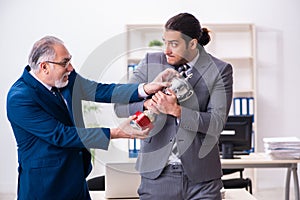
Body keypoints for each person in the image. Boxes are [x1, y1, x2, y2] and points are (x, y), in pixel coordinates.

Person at [6, 36, 171, 200]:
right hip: (45, 187)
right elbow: (61, 134)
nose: (70, 68)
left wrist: (145, 89)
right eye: (64, 62)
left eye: (70, 61)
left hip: (77, 182)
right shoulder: (20, 98)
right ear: (44, 67)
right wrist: (118, 132)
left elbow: (100, 90)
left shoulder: (65, 78)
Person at [115, 13, 233, 199]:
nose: (166, 50)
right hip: (157, 176)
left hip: (202, 179)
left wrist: (176, 111)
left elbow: (217, 124)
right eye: (165, 42)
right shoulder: (151, 62)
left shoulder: (219, 70)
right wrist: (148, 100)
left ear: (192, 44)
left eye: (174, 44)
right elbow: (120, 106)